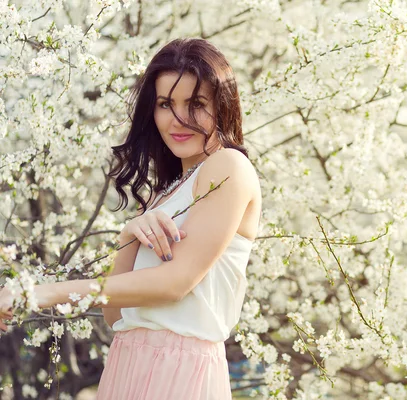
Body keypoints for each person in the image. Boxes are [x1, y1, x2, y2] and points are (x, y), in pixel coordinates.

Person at [0, 38, 262, 399]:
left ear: (223, 105)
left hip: (181, 369)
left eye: (196, 103)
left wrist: (41, 294)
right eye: (165, 104)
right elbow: (117, 316)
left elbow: (175, 283)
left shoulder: (229, 166)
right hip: (128, 361)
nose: (179, 119)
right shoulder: (163, 193)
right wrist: (129, 236)